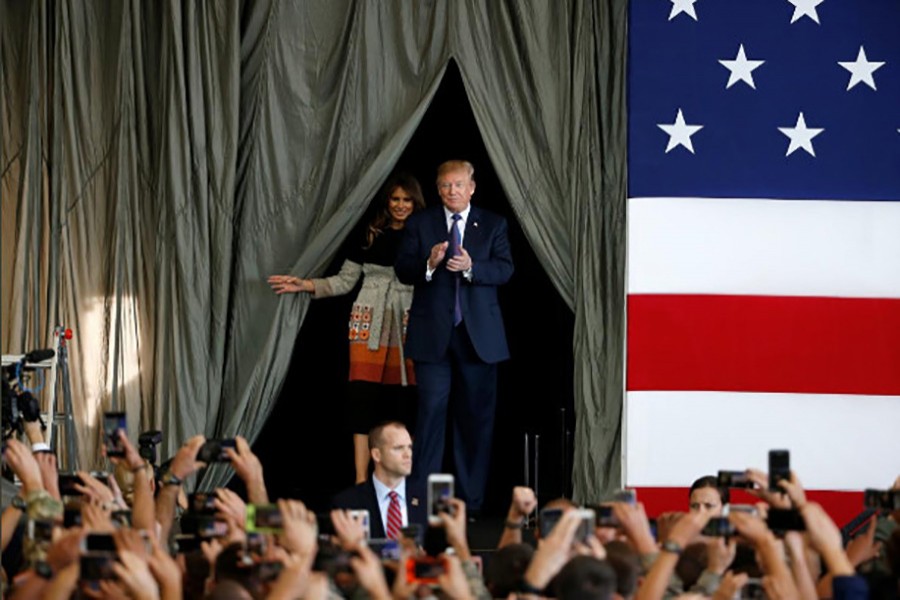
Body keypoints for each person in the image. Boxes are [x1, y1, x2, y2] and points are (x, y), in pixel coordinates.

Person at [268, 173, 425, 483]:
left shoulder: (424, 235)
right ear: (387, 201)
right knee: (361, 402)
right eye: (395, 199)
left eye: (407, 200)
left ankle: (402, 479)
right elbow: (344, 281)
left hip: (407, 322)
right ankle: (361, 480)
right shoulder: (369, 234)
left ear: (415, 203)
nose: (401, 205)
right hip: (368, 323)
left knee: (405, 403)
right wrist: (306, 285)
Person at [395, 159, 514, 512]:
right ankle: (422, 502)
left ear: (472, 187)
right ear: (438, 188)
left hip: (479, 339)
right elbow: (403, 270)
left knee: (474, 421)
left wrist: (473, 267)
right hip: (433, 336)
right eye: (446, 185)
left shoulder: (493, 223)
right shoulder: (420, 223)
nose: (452, 191)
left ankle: (469, 504)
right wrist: (429, 264)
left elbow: (505, 269)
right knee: (430, 415)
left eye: (459, 184)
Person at [331, 421, 426, 538]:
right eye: (398, 448)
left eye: (410, 447)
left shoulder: (426, 500)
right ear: (376, 454)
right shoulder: (347, 504)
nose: (408, 454)